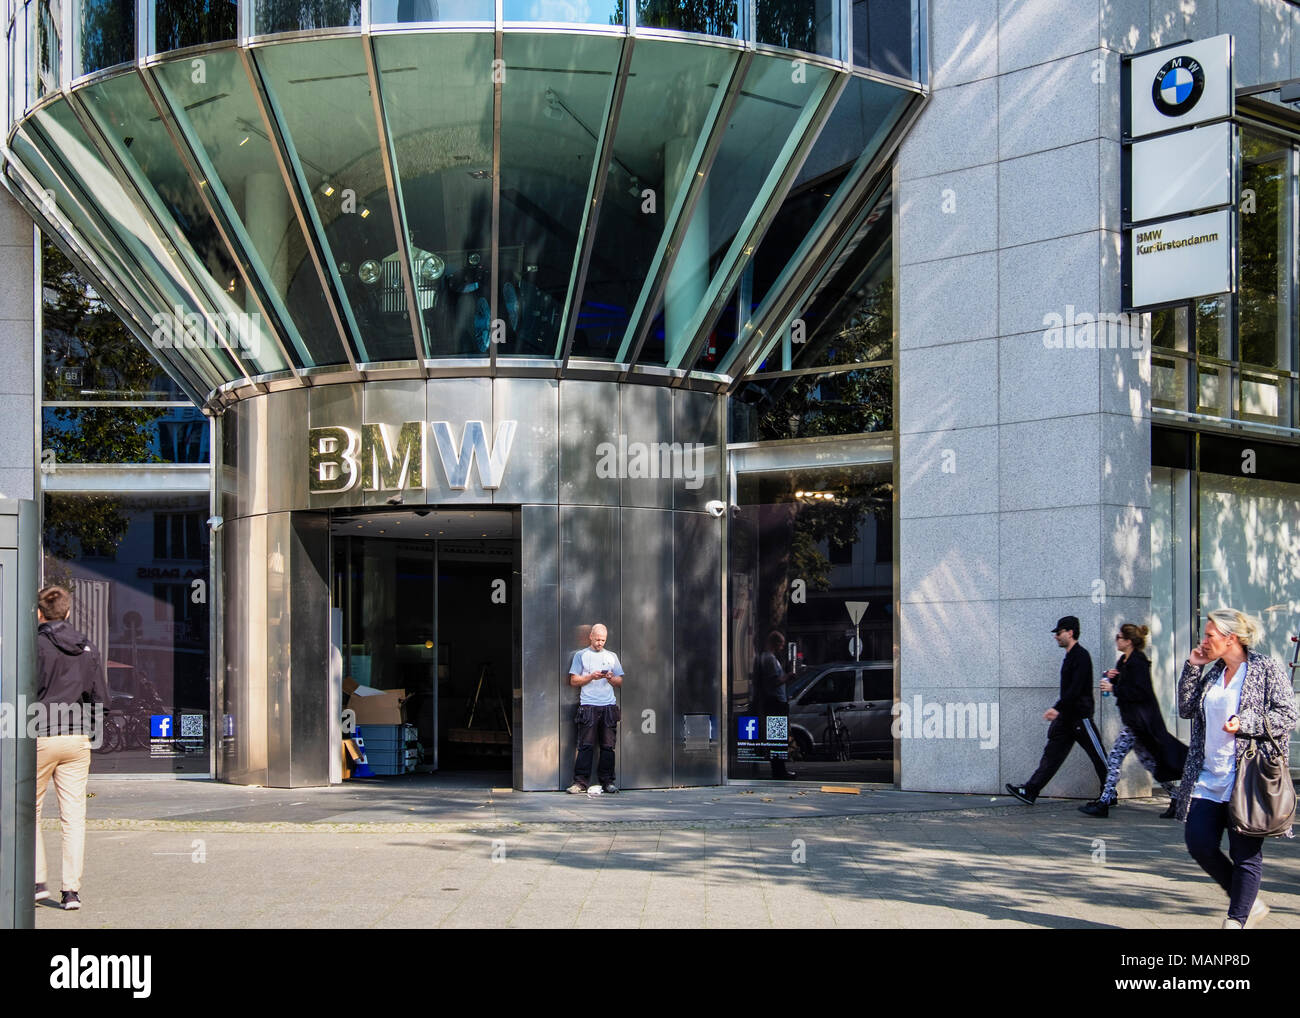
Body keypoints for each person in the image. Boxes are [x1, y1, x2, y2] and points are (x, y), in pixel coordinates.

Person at [1177, 609, 1297, 929]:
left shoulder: (1264, 668)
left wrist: (1247, 723)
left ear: (1231, 638)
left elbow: (1288, 715)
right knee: (1199, 842)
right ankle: (1248, 900)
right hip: (1208, 774)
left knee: (1245, 854)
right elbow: (1186, 709)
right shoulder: (1214, 672)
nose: (1204, 641)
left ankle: (1237, 919)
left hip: (1247, 776)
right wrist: (1192, 667)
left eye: (1210, 635)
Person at [33, 585, 109, 910]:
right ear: (67, 612)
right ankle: (71, 892)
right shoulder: (87, 647)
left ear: (39, 613)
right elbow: (101, 699)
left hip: (38, 735)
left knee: (29, 812)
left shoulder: (33, 645)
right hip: (77, 739)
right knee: (74, 816)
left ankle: (36, 882)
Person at [1079, 623, 1187, 818]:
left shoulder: (1138, 662)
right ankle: (1176, 797)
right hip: (1135, 723)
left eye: (1119, 637)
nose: (1116, 641)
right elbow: (1127, 684)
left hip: (1139, 723)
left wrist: (1114, 689)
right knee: (1151, 764)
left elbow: (1140, 691)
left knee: (1114, 759)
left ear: (1128, 641)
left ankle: (1104, 802)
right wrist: (1115, 677)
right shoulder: (1124, 661)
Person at [1006, 615, 1107, 804]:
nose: (1056, 636)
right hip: (1066, 720)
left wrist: (1057, 708)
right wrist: (1060, 712)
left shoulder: (1081, 656)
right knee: (1051, 757)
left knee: (1098, 756)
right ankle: (1030, 790)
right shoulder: (1070, 656)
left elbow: (1076, 689)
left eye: (1059, 632)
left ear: (1070, 632)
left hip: (1080, 718)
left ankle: (1109, 793)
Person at [566, 623, 625, 794]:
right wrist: (591, 677)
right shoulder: (581, 655)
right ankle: (580, 783)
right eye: (597, 639)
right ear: (590, 636)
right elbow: (573, 681)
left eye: (603, 640)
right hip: (588, 706)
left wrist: (610, 678)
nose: (600, 643)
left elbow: (620, 682)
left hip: (608, 706)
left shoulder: (612, 656)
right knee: (585, 746)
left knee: (608, 746)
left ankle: (608, 782)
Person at [752, 631, 795, 779]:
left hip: (775, 701)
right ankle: (779, 770)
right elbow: (774, 682)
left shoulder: (768, 658)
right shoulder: (769, 659)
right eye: (781, 644)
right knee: (777, 738)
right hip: (775, 702)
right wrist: (788, 676)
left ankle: (779, 769)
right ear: (774, 643)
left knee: (777, 737)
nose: (782, 647)